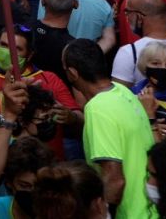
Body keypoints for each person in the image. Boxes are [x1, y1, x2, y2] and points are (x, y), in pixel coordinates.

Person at [62, 39, 154, 219]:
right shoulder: (122, 92)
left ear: (72, 73)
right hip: (150, 210)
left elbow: (115, 180)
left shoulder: (97, 108)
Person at [112, 0, 166, 88]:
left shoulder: (128, 52)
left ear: (139, 17)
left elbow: (119, 94)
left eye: (127, 12)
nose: (127, 18)